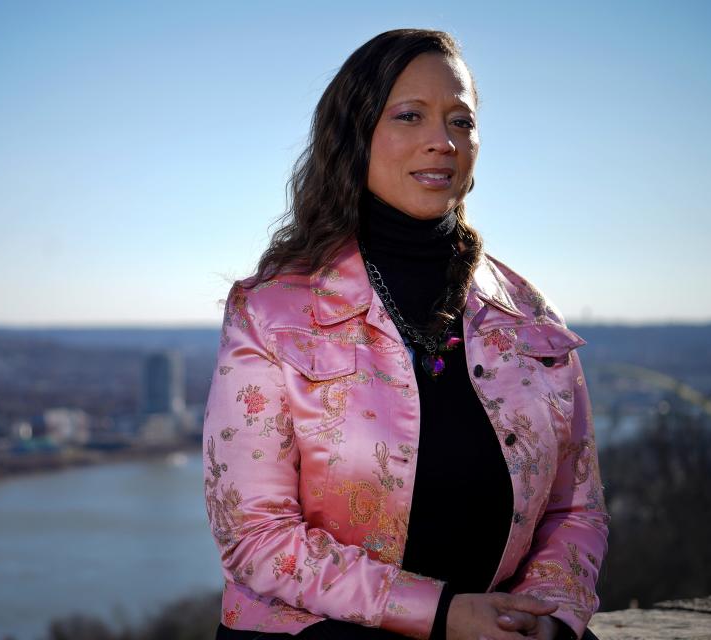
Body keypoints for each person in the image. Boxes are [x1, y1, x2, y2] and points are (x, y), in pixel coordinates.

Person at [202, 29, 608, 640]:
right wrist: (443, 615)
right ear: (355, 134)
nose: (442, 142)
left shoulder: (528, 317)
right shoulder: (271, 312)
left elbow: (575, 510)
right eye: (410, 115)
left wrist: (546, 617)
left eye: (461, 122)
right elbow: (254, 535)